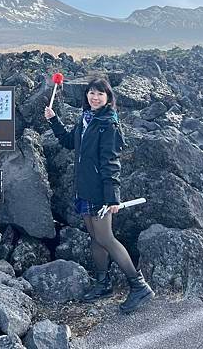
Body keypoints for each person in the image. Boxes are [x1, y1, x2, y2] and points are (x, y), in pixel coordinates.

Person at [44, 77, 154, 313]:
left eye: (100, 94)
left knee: (106, 238)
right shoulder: (86, 119)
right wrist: (54, 120)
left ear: (108, 98)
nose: (95, 97)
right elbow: (68, 143)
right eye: (91, 93)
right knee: (95, 238)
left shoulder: (107, 124)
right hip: (84, 189)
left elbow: (111, 162)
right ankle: (103, 284)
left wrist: (112, 197)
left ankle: (139, 285)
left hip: (99, 192)